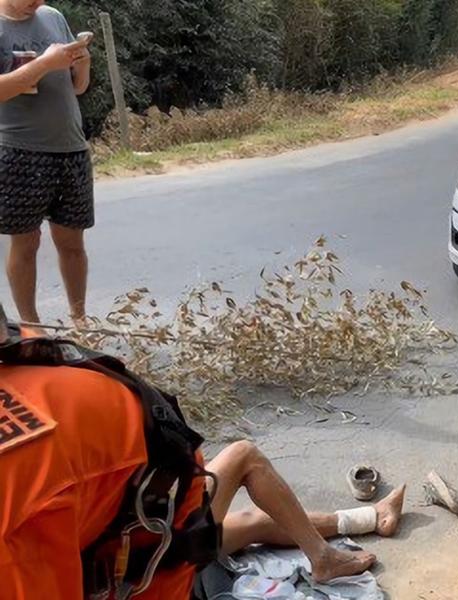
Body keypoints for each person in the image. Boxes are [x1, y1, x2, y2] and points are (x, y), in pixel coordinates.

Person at [0, 301, 405, 599]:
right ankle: (325, 555)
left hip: (123, 524)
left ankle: (369, 518)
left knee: (239, 527)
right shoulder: (21, 506)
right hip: (133, 542)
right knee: (243, 460)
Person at [0, 0, 94, 325]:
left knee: (72, 242)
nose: (38, 2)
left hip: (71, 147)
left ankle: (80, 318)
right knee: (26, 241)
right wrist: (44, 63)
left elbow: (77, 86)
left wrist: (82, 62)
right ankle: (31, 325)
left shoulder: (52, 16)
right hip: (19, 151)